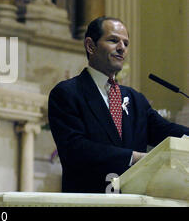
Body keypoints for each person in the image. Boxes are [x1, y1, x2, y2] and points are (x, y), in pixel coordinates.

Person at [48, 16, 189, 193]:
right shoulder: (68, 93)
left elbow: (166, 131)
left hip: (132, 199)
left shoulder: (135, 99)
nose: (122, 48)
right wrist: (134, 158)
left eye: (126, 43)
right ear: (90, 46)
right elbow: (75, 149)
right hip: (90, 200)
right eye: (114, 40)